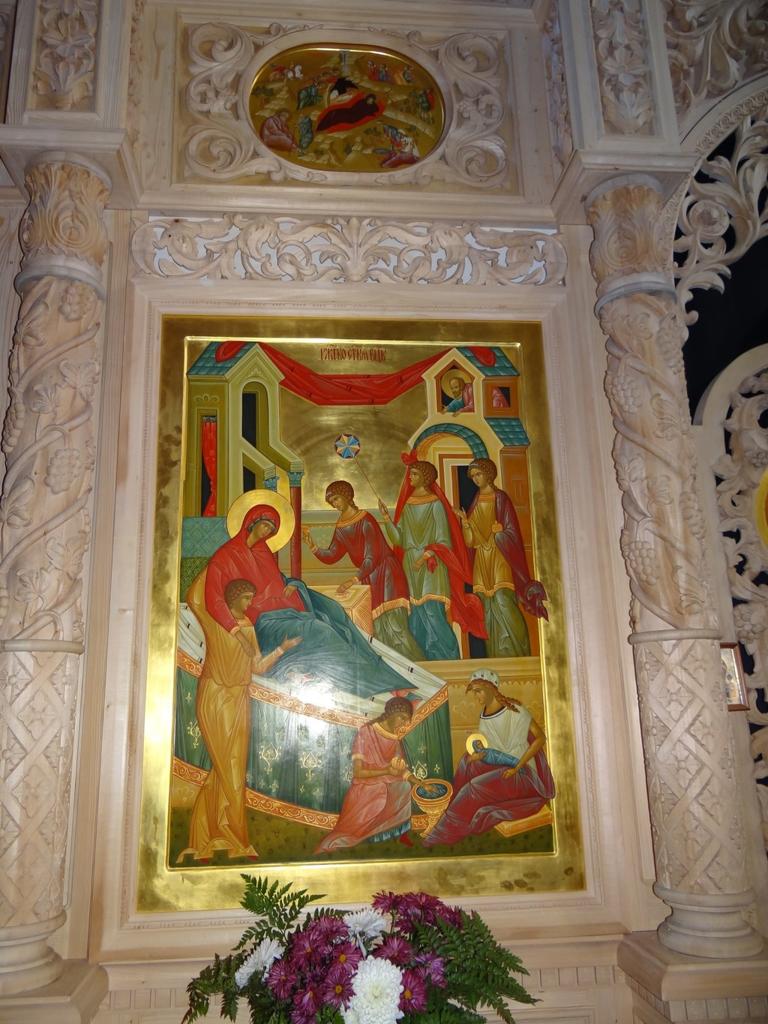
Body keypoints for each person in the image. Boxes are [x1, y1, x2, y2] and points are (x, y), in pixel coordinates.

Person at [204, 500, 416, 701]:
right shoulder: (225, 557)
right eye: (265, 525)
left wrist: (294, 583)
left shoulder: (263, 551)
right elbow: (213, 600)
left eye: (272, 529)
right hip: (267, 621)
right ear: (252, 522)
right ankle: (371, 684)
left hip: (289, 608)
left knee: (334, 612)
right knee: (321, 630)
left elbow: (277, 579)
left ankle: (376, 669)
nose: (267, 531)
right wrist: (238, 634)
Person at [178, 578, 302, 863]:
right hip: (215, 695)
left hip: (239, 700)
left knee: (227, 770)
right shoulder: (216, 622)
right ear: (232, 597)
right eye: (245, 598)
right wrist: (217, 563)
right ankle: (235, 839)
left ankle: (207, 837)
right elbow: (195, 598)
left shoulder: (248, 628)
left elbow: (257, 667)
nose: (248, 604)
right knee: (228, 769)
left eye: (250, 598)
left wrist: (282, 649)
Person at [422, 669, 555, 846]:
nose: (476, 696)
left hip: (522, 774)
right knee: (466, 763)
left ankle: (444, 833)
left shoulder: (516, 711)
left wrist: (517, 767)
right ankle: (452, 812)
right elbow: (493, 749)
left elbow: (540, 738)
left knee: (472, 788)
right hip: (501, 765)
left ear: (491, 688)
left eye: (479, 691)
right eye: (474, 692)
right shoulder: (484, 714)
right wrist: (478, 754)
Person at [302, 480, 424, 660]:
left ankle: (419, 666)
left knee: (396, 627)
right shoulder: (341, 526)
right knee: (379, 631)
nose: (335, 504)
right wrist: (313, 547)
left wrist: (353, 580)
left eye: (336, 499)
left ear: (346, 496)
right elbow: (333, 554)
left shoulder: (366, 519)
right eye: (332, 502)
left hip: (386, 574)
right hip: (368, 577)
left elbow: (372, 556)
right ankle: (394, 670)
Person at [379, 456, 486, 660]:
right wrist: (386, 519)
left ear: (425, 477)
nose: (410, 477)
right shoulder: (408, 504)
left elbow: (443, 540)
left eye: (414, 474)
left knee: (432, 611)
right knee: (416, 614)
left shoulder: (435, 504)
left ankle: (448, 658)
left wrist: (424, 556)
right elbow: (399, 539)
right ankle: (425, 659)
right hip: (410, 564)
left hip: (431, 564)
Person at [457, 457, 547, 658]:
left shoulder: (500, 498)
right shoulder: (476, 502)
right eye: (473, 476)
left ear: (488, 474)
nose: (476, 479)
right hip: (482, 559)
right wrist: (465, 523)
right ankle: (497, 654)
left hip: (499, 557)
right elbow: (470, 541)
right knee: (487, 608)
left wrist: (501, 533)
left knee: (503, 600)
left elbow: (512, 532)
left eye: (479, 474)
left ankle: (518, 652)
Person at [315, 697, 418, 852]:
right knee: (380, 791)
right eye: (402, 718)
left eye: (406, 720)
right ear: (391, 713)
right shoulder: (366, 732)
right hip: (365, 786)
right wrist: (387, 771)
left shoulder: (395, 739)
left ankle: (398, 834)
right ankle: (364, 837)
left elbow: (402, 770)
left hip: (386, 781)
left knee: (404, 787)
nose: (404, 723)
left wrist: (420, 783)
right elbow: (358, 772)